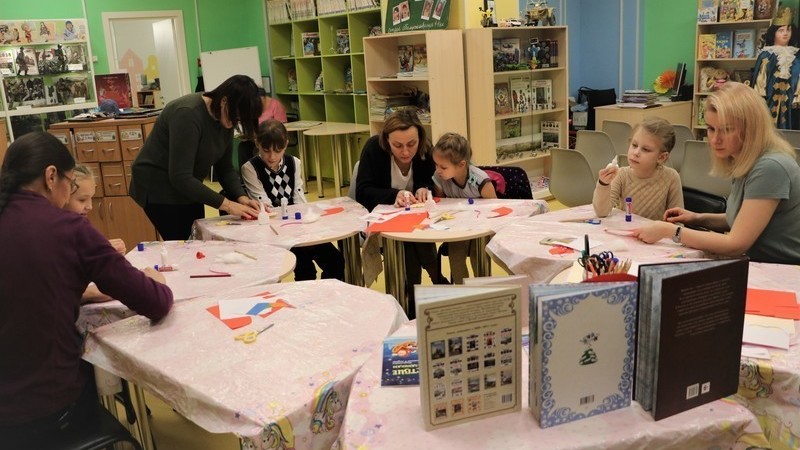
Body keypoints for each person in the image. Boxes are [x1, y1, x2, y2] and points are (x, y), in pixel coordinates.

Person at [0, 132, 173, 448]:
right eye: (70, 185)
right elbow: (154, 303)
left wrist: (82, 294)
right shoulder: (67, 228)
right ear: (51, 176)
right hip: (43, 407)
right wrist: (158, 284)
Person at [633, 82, 800, 264]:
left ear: (750, 128)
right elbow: (742, 219)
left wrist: (671, 231)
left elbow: (735, 244)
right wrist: (697, 218)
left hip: (784, 269)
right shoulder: (748, 159)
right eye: (711, 129)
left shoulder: (770, 168)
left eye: (726, 130)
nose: (715, 139)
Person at [129, 74, 262, 240]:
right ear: (224, 101)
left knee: (196, 241)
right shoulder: (187, 114)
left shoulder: (225, 117)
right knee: (183, 245)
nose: (234, 123)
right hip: (159, 188)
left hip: (188, 185)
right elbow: (180, 176)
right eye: (235, 118)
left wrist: (241, 197)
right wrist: (228, 205)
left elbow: (225, 168)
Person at [356, 110, 448, 317]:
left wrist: (424, 188)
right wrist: (394, 195)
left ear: (420, 139)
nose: (405, 152)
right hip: (382, 219)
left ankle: (411, 297)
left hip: (415, 220)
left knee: (414, 234)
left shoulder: (425, 149)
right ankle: (435, 281)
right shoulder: (373, 149)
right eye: (397, 145)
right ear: (386, 140)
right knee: (409, 239)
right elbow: (362, 191)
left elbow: (430, 180)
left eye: (411, 144)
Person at [242, 120, 345, 281]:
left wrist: (306, 231)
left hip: (299, 226)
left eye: (278, 151)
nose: (272, 157)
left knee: (336, 260)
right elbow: (266, 207)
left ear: (286, 144)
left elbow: (299, 200)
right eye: (266, 150)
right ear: (257, 143)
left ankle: (327, 293)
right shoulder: (250, 168)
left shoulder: (294, 163)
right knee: (305, 269)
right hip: (276, 232)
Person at [431, 132, 496, 284]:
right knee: (455, 257)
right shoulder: (440, 178)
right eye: (436, 165)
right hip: (457, 227)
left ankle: (483, 291)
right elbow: (441, 204)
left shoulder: (480, 181)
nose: (438, 170)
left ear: (461, 165)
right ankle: (463, 291)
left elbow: (494, 207)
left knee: (477, 255)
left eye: (443, 167)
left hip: (481, 227)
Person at [592, 116, 683, 221]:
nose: (636, 153)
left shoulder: (671, 177)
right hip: (627, 230)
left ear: (661, 157)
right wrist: (603, 184)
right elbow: (601, 212)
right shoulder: (621, 174)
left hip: (656, 231)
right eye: (634, 145)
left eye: (646, 149)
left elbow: (678, 220)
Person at [751, 5, 800, 129]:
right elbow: (760, 80)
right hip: (769, 101)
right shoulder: (766, 55)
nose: (785, 34)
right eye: (781, 30)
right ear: (774, 33)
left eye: (788, 30)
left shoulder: (796, 56)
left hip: (790, 105)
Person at [237, 87, 288, 171]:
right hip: (256, 138)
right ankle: (245, 174)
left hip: (271, 138)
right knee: (243, 147)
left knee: (258, 149)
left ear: (264, 98)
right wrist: (247, 134)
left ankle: (261, 173)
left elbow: (281, 128)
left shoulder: (276, 105)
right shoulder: (253, 107)